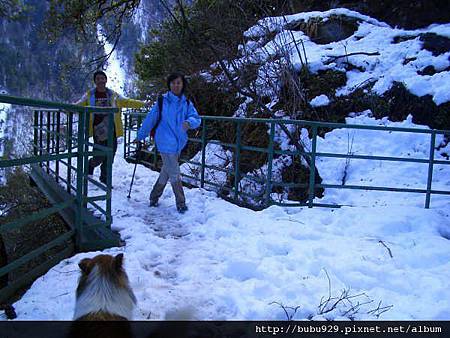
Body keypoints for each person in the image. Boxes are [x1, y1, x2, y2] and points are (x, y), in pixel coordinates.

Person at [136, 73, 201, 213]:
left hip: (179, 142)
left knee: (167, 171)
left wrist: (189, 122)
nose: (176, 85)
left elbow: (196, 118)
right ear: (169, 85)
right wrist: (141, 135)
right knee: (175, 172)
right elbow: (150, 119)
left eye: (178, 83)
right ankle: (181, 203)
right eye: (173, 83)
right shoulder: (162, 101)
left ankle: (154, 197)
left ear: (183, 85)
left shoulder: (186, 102)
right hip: (165, 141)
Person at [76, 70, 146, 184]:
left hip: (112, 130)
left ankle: (104, 178)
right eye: (98, 79)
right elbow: (79, 104)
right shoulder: (90, 95)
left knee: (110, 156)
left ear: (106, 80)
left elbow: (127, 102)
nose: (100, 81)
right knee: (99, 155)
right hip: (98, 130)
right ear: (95, 81)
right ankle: (91, 165)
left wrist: (142, 104)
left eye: (102, 78)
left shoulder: (112, 95)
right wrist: (68, 108)